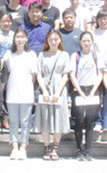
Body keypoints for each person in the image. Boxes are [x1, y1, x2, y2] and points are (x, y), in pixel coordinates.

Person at [34, 30, 71, 161]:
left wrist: (57, 92)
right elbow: (38, 74)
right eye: (51, 40)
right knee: (45, 117)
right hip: (45, 88)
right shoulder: (42, 55)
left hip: (59, 89)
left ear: (60, 40)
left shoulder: (65, 55)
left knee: (58, 117)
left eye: (56, 39)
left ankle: (55, 147)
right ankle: (46, 146)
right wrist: (44, 90)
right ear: (47, 41)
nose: (53, 42)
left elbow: (66, 75)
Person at [4, 28, 38, 160]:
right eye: (17, 37)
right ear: (14, 39)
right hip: (12, 93)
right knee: (13, 121)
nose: (20, 39)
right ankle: (14, 147)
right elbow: (6, 73)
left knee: (25, 122)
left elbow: (34, 76)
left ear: (26, 39)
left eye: (22, 37)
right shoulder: (9, 54)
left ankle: (23, 147)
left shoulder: (31, 55)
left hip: (27, 93)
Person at [69, 31, 103, 161]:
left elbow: (100, 74)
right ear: (80, 42)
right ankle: (79, 150)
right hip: (79, 90)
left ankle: (88, 150)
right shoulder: (75, 56)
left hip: (93, 89)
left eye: (89, 41)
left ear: (92, 42)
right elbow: (72, 74)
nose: (86, 43)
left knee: (90, 121)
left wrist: (93, 91)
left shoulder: (96, 56)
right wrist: (80, 90)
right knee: (79, 121)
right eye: (84, 41)